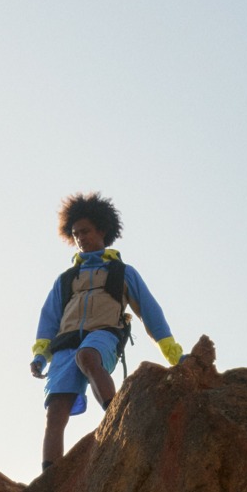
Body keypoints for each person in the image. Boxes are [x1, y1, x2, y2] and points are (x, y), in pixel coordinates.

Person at [29, 193, 183, 468]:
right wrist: (41, 355)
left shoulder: (121, 272)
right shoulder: (66, 279)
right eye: (75, 234)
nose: (80, 238)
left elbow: (150, 312)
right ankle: (49, 479)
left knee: (87, 356)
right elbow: (49, 320)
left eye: (85, 231)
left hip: (103, 335)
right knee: (55, 412)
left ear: (102, 229)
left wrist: (174, 354)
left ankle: (117, 418)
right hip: (65, 344)